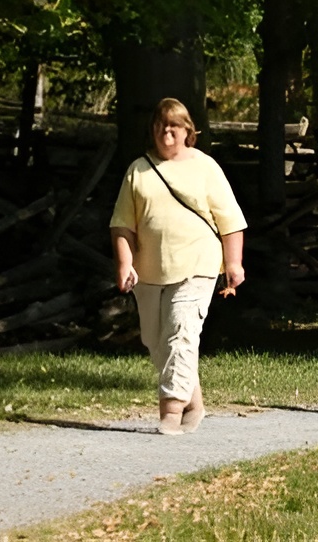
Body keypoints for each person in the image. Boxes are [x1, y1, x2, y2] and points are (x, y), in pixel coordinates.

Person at [110, 98, 247, 436]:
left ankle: (170, 411)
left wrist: (233, 262)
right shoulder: (138, 170)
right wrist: (125, 264)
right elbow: (122, 226)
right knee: (157, 342)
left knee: (181, 334)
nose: (166, 131)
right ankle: (195, 403)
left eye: (174, 125)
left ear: (189, 131)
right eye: (160, 125)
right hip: (150, 273)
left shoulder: (206, 167)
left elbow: (230, 221)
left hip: (197, 265)